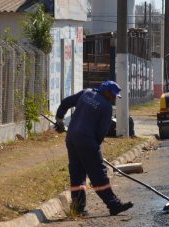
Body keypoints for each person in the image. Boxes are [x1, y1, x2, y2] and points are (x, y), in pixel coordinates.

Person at [55, 80, 134, 216]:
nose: (114, 98)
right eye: (113, 95)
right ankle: (113, 204)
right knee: (98, 174)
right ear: (107, 91)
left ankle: (78, 209)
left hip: (72, 139)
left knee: (77, 173)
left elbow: (66, 102)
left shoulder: (86, 93)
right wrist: (94, 150)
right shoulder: (106, 107)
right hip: (87, 141)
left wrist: (59, 120)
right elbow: (101, 132)